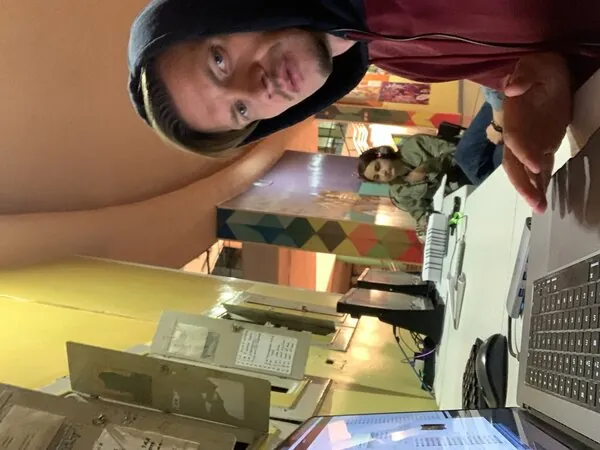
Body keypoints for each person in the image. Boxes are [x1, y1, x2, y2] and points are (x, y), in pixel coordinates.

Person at [128, 0, 600, 214]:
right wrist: (551, 79)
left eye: (219, 61)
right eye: (241, 111)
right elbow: (534, 55)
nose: (258, 89)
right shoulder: (394, 55)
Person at [356, 139, 466, 240]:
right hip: (456, 202)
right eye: (377, 177)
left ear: (382, 155)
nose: (382, 173)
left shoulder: (415, 145)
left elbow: (454, 151)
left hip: (463, 171)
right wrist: (423, 224)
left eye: (378, 167)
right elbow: (420, 212)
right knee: (457, 227)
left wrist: (426, 167)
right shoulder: (398, 193)